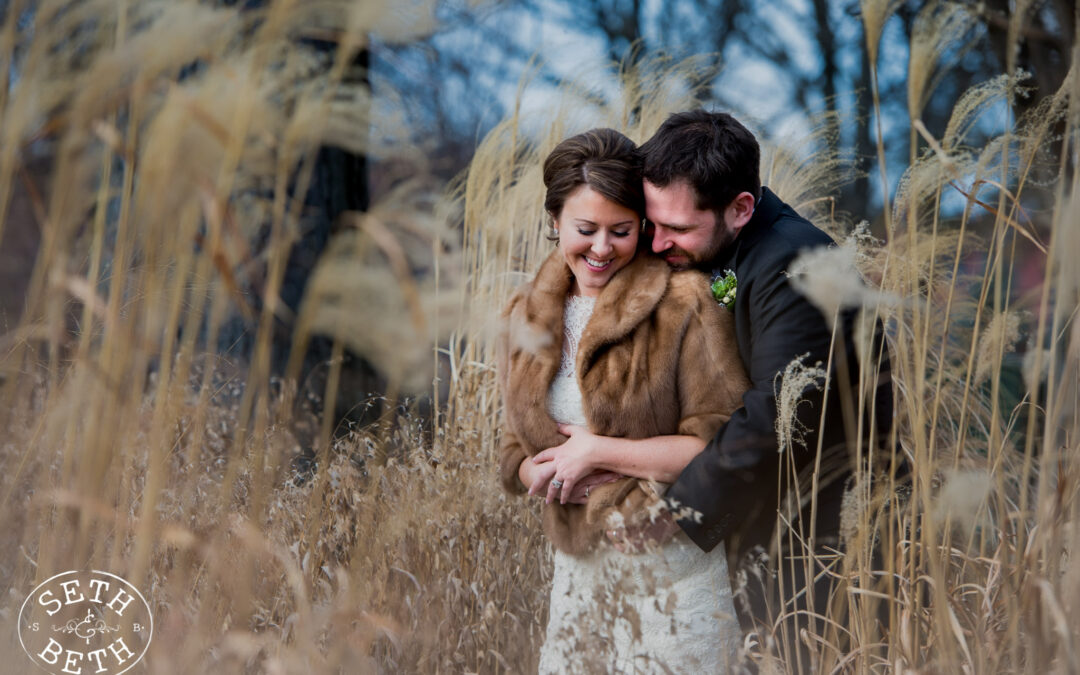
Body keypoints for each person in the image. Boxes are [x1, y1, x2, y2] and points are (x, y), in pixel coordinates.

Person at [539, 111, 894, 659]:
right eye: (651, 224)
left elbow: (775, 417)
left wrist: (671, 516)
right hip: (767, 535)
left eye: (677, 229)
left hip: (822, 545)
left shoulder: (796, 265)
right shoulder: (731, 252)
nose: (657, 244)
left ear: (741, 208)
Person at [497, 128, 751, 673]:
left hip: (671, 575)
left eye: (622, 230)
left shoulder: (686, 301)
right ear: (555, 222)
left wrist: (597, 453)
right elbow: (513, 447)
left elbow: (721, 439)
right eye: (585, 229)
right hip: (577, 577)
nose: (602, 248)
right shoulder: (524, 312)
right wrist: (540, 473)